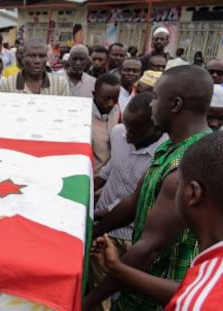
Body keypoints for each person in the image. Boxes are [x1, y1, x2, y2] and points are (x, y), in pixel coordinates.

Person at [84, 65, 214, 311]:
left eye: (156, 98)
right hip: (141, 286)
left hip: (160, 295)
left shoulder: (185, 167)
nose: (150, 104)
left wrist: (89, 300)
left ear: (175, 105)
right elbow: (135, 202)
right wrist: (91, 231)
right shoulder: (170, 148)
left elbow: (147, 249)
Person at [92, 131, 223, 311]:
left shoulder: (195, 304)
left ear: (193, 193)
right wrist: (116, 267)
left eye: (179, 184)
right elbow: (188, 289)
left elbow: (193, 297)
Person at [90, 92, 167, 311]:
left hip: (136, 239)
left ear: (156, 128)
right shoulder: (118, 133)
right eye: (126, 126)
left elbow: (136, 200)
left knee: (126, 294)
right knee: (99, 293)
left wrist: (95, 215)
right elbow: (109, 170)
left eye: (135, 130)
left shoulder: (163, 154)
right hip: (105, 233)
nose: (127, 134)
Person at [0, 38, 69, 96]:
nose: (37, 61)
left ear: (46, 58)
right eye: (32, 56)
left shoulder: (60, 84)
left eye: (42, 56)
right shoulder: (7, 85)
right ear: (23, 58)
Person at [91, 73, 121, 175]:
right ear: (94, 94)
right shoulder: (85, 117)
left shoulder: (116, 111)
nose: (111, 103)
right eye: (106, 98)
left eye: (115, 99)